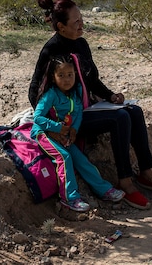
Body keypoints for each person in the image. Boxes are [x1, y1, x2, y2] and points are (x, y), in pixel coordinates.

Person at [29, 0, 152, 210]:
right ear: (60, 26)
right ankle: (125, 182)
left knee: (134, 110)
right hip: (68, 118)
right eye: (76, 22)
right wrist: (52, 126)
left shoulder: (81, 44)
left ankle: (147, 174)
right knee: (120, 118)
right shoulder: (51, 51)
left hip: (86, 106)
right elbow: (35, 90)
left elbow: (92, 80)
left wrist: (110, 96)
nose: (82, 24)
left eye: (81, 18)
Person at [31, 54, 126, 212]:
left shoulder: (75, 93)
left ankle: (104, 190)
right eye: (61, 75)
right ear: (53, 78)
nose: (67, 79)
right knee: (64, 157)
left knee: (81, 160)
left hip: (65, 134)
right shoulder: (51, 95)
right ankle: (70, 198)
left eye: (70, 75)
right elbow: (38, 118)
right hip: (44, 134)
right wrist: (57, 127)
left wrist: (74, 129)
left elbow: (78, 113)